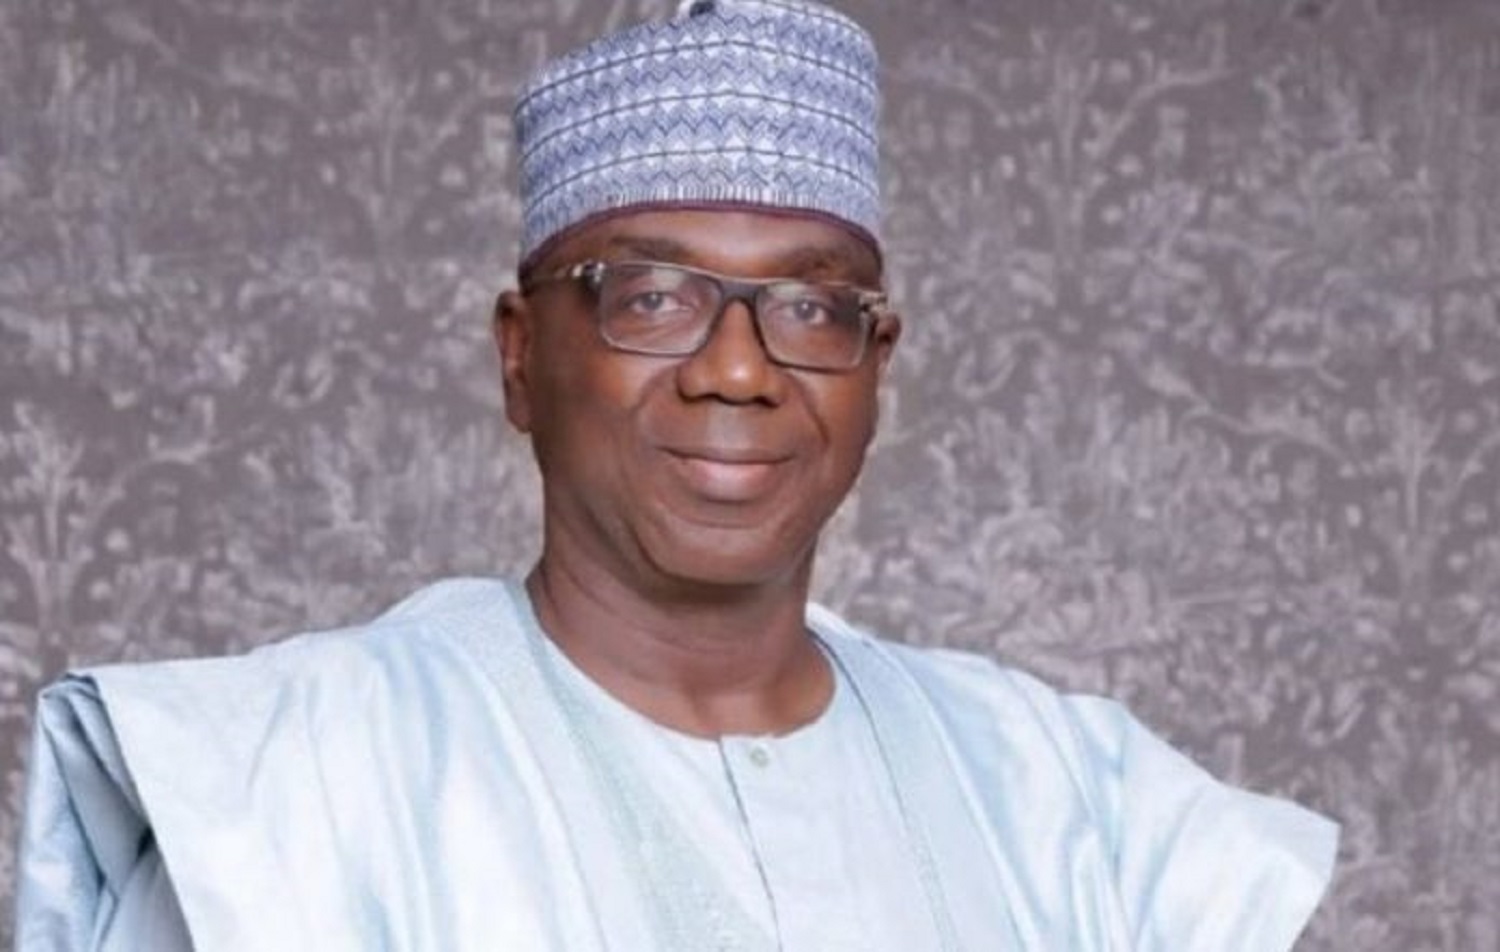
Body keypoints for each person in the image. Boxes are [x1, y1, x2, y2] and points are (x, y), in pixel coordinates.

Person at [13, 1, 1338, 949]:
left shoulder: (1071, 798)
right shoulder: (289, 786)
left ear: (876, 362)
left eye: (810, 308)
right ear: (522, 355)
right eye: (651, 296)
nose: (740, 371)